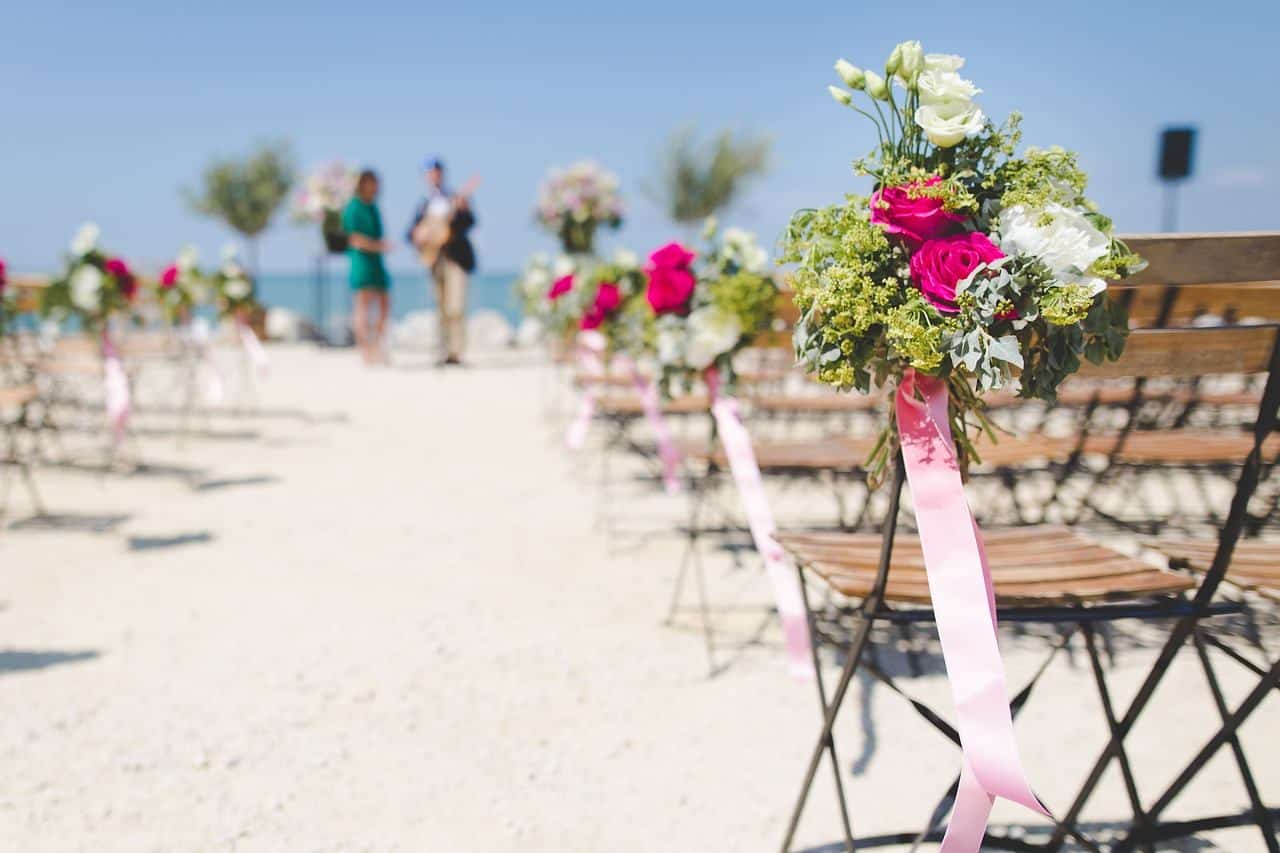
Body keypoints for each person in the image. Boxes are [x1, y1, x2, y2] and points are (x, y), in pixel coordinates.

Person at [406, 158, 479, 366]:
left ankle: (457, 352)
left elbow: (469, 222)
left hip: (455, 258)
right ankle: (443, 350)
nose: (434, 176)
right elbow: (410, 233)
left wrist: (462, 211)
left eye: (437, 172)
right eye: (430, 173)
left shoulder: (455, 198)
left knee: (456, 305)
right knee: (441, 306)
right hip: (434, 260)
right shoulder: (424, 204)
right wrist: (417, 236)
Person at [342, 169, 393, 364]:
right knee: (362, 306)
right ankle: (365, 350)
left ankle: (377, 345)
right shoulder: (353, 208)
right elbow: (353, 238)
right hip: (361, 261)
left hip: (377, 261)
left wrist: (379, 247)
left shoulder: (373, 207)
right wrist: (377, 246)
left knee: (384, 304)